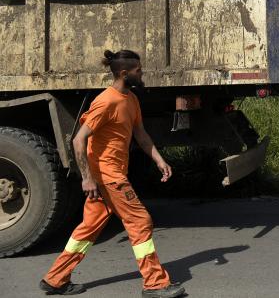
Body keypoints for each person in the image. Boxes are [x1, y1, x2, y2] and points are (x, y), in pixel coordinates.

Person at [40, 50, 184, 298]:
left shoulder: (131, 100)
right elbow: (78, 140)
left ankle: (55, 279)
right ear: (124, 73)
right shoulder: (106, 101)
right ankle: (155, 284)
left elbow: (140, 134)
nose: (142, 73)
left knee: (88, 228)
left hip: (110, 175)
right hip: (109, 177)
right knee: (140, 222)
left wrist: (159, 160)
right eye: (138, 70)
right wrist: (87, 178)